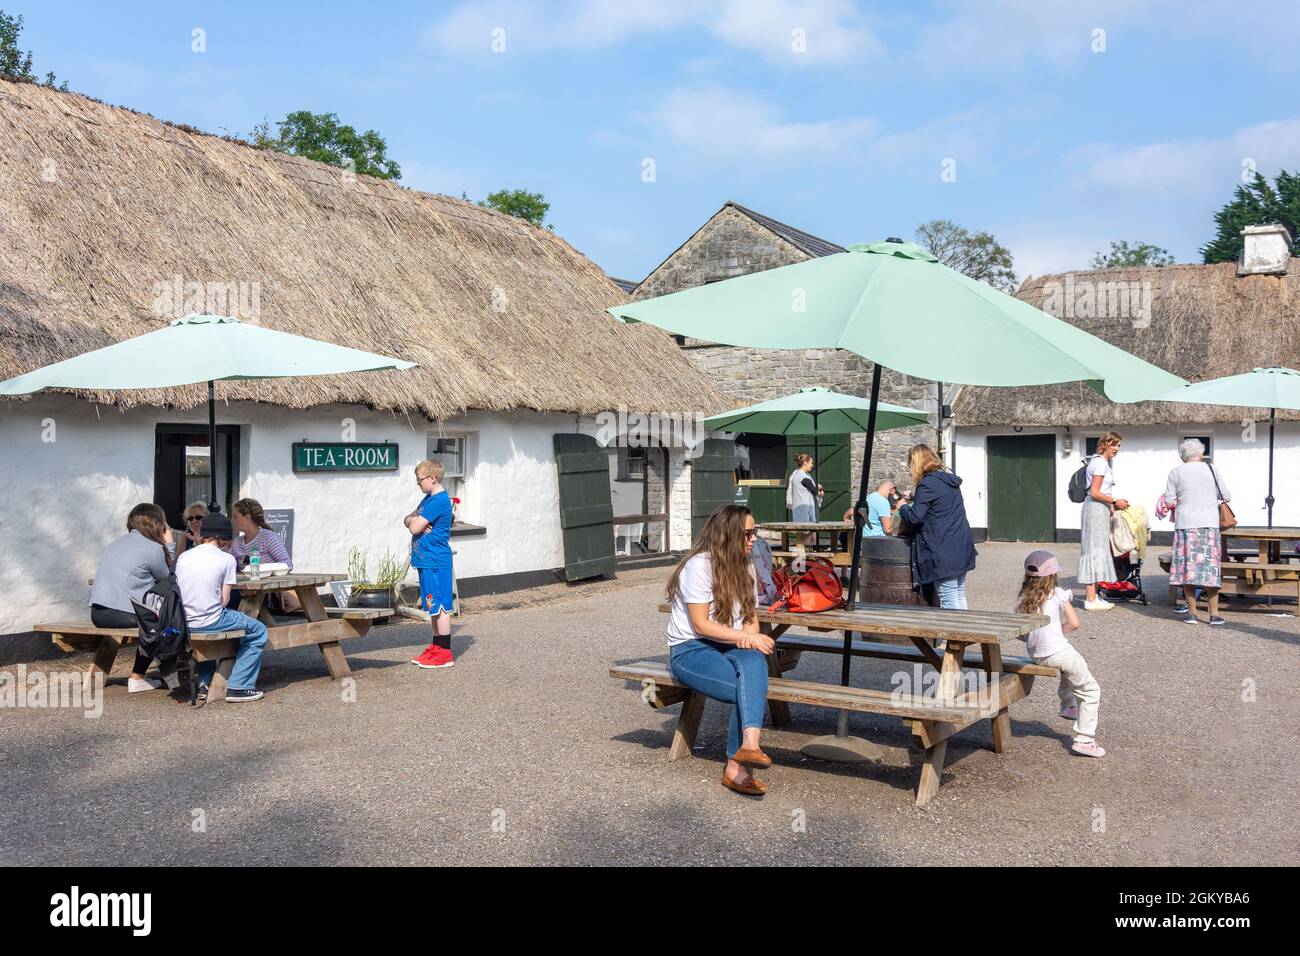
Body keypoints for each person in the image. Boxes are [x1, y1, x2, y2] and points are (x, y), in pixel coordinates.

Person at [665, 505, 773, 796]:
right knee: (747, 686)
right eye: (748, 533)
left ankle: (749, 746)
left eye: (755, 533)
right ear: (728, 534)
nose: (753, 539)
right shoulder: (699, 566)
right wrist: (748, 639)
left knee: (754, 662)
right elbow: (700, 625)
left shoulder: (746, 564)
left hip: (729, 644)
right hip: (691, 649)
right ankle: (737, 769)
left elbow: (750, 619)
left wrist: (752, 641)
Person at [1016, 550, 1104, 758]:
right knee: (1090, 691)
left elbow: (1021, 633)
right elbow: (1075, 624)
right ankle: (1084, 739)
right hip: (1058, 651)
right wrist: (1056, 632)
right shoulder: (1057, 594)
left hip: (1038, 654)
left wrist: (1040, 636)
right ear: (1053, 574)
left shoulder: (1022, 599)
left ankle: (1068, 704)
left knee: (1069, 670)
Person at [176, 512, 268, 703]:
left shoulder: (184, 557)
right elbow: (224, 600)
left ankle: (204, 683)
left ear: (204, 534)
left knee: (211, 633)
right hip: (209, 619)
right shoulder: (226, 559)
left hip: (183, 621)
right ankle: (239, 686)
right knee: (258, 630)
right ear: (225, 538)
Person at [88, 503, 176, 693]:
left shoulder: (116, 542)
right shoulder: (153, 548)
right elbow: (168, 578)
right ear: (158, 524)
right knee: (161, 624)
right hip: (123, 614)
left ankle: (164, 674)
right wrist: (169, 544)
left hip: (98, 613)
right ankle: (140, 677)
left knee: (152, 620)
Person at [897, 444, 977, 609]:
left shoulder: (927, 484)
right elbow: (938, 505)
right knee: (959, 593)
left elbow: (915, 518)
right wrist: (915, 498)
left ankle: (952, 634)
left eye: (910, 464)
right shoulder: (947, 480)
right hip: (961, 544)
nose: (909, 469)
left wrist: (902, 506)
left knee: (948, 598)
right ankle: (963, 633)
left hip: (943, 548)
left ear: (916, 462)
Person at [1162, 438, 1231, 626]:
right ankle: (1214, 614)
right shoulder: (1211, 469)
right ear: (1200, 454)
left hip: (1185, 525)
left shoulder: (1175, 472)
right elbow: (1226, 495)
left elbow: (1169, 501)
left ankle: (1192, 613)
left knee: (1187, 570)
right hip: (1209, 525)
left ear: (1183, 456)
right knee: (1210, 569)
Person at [406, 459, 456, 668]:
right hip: (426, 561)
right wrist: (412, 520)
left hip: (436, 560)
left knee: (441, 606)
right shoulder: (428, 499)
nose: (418, 484)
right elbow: (409, 519)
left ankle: (444, 653)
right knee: (432, 606)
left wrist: (414, 522)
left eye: (420, 480)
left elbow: (414, 528)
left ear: (433, 478)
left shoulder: (438, 501)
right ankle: (436, 648)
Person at [1078, 431, 1129, 611]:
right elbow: (1095, 492)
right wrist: (1115, 501)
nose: (1116, 448)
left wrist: (1110, 506)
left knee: (1097, 549)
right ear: (1104, 444)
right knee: (1093, 549)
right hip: (1095, 508)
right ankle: (1090, 599)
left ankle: (1094, 595)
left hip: (1099, 508)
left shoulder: (1100, 462)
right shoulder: (1099, 463)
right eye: (1113, 444)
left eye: (1118, 445)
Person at [229, 497, 297, 612]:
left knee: (233, 600)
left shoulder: (268, 538)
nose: (232, 520)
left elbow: (288, 564)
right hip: (245, 589)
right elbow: (229, 565)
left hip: (266, 592)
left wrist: (264, 568)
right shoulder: (237, 542)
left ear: (247, 517)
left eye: (235, 516)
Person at [785, 452, 823, 545]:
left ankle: (807, 555)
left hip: (803, 509)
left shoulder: (800, 475)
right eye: (811, 463)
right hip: (804, 511)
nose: (812, 465)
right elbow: (814, 491)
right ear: (805, 463)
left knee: (812, 537)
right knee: (808, 537)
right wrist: (820, 492)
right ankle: (804, 556)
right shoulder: (802, 477)